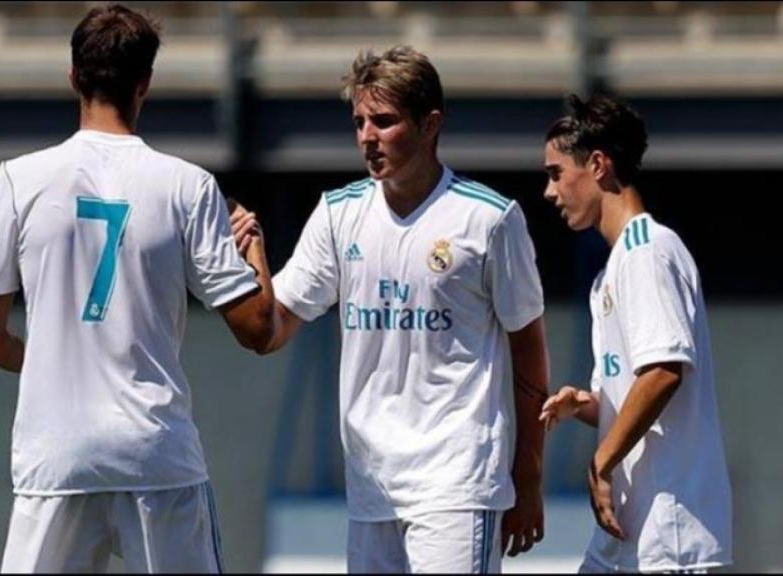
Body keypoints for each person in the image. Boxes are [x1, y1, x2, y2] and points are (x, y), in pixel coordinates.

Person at [0, 4, 274, 572]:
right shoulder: (189, 185)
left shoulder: (17, 179)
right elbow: (259, 331)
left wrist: (57, 364)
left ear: (74, 78)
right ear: (145, 84)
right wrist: (252, 243)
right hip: (155, 456)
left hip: (55, 455)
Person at [232, 45, 550, 573]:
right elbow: (269, 331)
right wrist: (254, 258)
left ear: (430, 125)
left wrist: (529, 476)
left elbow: (529, 351)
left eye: (383, 121)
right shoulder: (338, 215)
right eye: (359, 122)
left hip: (456, 481)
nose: (366, 136)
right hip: (371, 485)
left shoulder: (489, 220)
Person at [538, 94, 732, 573]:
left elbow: (665, 372)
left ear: (599, 165)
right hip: (626, 532)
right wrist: (584, 406)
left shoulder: (647, 251)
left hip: (669, 533)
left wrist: (600, 461)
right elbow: (634, 397)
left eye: (555, 173)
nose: (549, 191)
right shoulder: (614, 269)